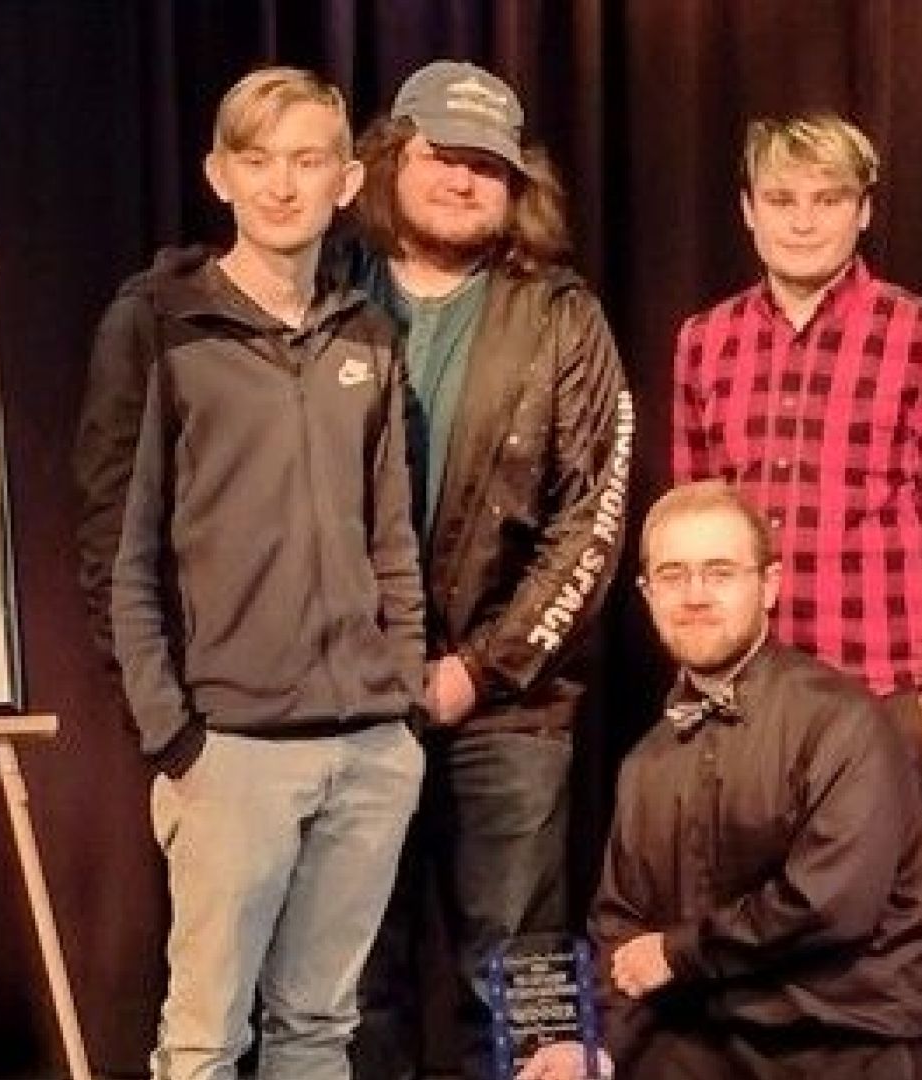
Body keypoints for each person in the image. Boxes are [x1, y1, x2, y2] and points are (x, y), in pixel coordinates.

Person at [70, 66, 426, 1080]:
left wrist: (400, 693)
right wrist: (174, 734)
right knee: (204, 1040)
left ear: (346, 182)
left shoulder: (368, 332)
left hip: (368, 745)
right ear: (217, 174)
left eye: (307, 161)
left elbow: (391, 533)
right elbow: (116, 548)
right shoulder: (157, 325)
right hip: (230, 751)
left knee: (319, 1026)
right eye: (257, 160)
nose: (282, 184)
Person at [343, 60, 634, 1080]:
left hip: (510, 709)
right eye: (441, 156)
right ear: (389, 159)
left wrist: (482, 668)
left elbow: (593, 521)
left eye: (487, 166)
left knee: (517, 987)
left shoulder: (562, 315)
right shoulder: (326, 294)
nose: (462, 180)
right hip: (344, 700)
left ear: (518, 186)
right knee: (351, 989)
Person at [522, 479, 922, 1080]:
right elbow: (622, 928)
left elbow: (830, 906)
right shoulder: (647, 761)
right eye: (673, 575)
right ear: (647, 594)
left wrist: (677, 953)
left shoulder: (846, 722)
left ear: (769, 585)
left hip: (845, 1037)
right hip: (714, 1038)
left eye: (720, 572)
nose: (695, 595)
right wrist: (599, 1046)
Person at [670, 113, 922, 767]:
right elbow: (694, 534)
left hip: (879, 695)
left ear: (864, 210)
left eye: (827, 200)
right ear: (748, 210)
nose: (802, 222)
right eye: (781, 200)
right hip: (739, 693)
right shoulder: (704, 342)